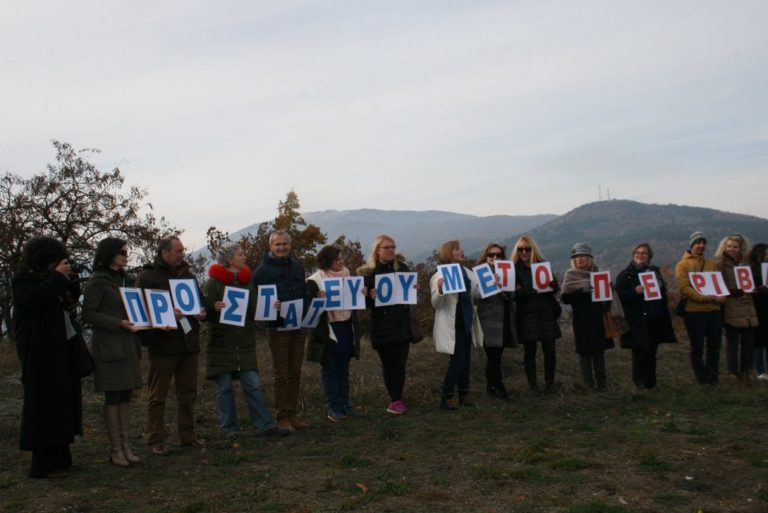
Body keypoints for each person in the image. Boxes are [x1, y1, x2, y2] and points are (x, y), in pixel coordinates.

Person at [13, 236, 84, 478]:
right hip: (38, 354)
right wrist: (57, 278)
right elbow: (35, 300)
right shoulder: (23, 280)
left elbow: (69, 300)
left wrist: (70, 280)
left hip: (60, 352)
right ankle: (42, 465)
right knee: (43, 408)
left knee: (63, 405)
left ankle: (62, 458)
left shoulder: (51, 280)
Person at [204, 243, 288, 436]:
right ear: (230, 259)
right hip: (221, 344)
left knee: (253, 385)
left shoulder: (247, 282)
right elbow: (204, 311)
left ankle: (264, 425)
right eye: (240, 255)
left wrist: (269, 306)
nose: (244, 257)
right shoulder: (213, 283)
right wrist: (213, 308)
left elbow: (253, 311)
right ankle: (228, 428)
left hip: (244, 343)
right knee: (224, 388)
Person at [137, 236, 206, 455]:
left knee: (188, 392)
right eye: (177, 251)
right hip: (163, 344)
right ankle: (154, 438)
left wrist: (202, 312)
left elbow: (200, 301)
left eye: (182, 250)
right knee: (158, 394)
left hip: (188, 343)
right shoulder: (148, 276)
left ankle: (187, 436)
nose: (182, 254)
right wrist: (166, 314)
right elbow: (138, 308)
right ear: (164, 253)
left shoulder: (188, 276)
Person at [82, 237, 143, 467]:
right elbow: (89, 314)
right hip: (109, 344)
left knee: (126, 393)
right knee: (113, 394)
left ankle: (126, 444)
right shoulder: (98, 282)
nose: (126, 256)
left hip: (128, 343)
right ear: (110, 255)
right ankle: (115, 447)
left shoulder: (127, 280)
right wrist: (118, 323)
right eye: (122, 252)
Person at [252, 230, 309, 431]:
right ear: (271, 247)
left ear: (290, 245)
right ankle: (282, 416)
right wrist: (269, 307)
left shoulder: (297, 267)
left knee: (295, 372)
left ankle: (292, 414)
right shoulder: (262, 271)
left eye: (285, 243)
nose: (282, 247)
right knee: (282, 373)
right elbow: (255, 301)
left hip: (298, 325)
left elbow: (303, 292)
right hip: (277, 328)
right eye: (277, 244)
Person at [358, 235, 414, 415]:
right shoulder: (368, 273)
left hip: (401, 325)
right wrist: (369, 297)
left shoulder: (403, 269)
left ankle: (396, 400)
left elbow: (409, 296)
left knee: (400, 365)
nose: (390, 250)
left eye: (392, 247)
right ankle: (395, 399)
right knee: (389, 364)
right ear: (377, 251)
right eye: (386, 247)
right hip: (382, 326)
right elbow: (362, 303)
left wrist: (415, 290)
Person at [306, 245, 363, 421]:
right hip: (328, 330)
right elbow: (309, 310)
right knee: (330, 370)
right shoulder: (315, 280)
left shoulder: (347, 275)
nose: (341, 262)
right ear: (327, 261)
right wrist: (317, 300)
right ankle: (333, 407)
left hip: (346, 326)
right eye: (337, 259)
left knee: (343, 369)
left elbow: (355, 300)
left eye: (341, 258)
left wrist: (362, 293)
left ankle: (345, 404)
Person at [616, 243, 677, 389]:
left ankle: (651, 383)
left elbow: (662, 295)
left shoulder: (655, 272)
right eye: (637, 252)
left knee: (651, 352)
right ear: (633, 254)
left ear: (649, 256)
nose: (640, 255)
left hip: (654, 319)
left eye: (644, 253)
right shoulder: (625, 275)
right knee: (639, 353)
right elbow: (619, 297)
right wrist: (635, 292)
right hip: (636, 321)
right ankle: (639, 384)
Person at [431, 240, 483, 410]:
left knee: (465, 360)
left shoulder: (467, 272)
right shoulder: (439, 275)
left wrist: (491, 285)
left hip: (466, 321)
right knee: (458, 360)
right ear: (449, 253)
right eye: (457, 249)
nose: (462, 251)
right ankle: (446, 397)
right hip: (453, 325)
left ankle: (463, 395)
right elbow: (435, 303)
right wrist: (440, 289)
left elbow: (474, 293)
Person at [561, 243, 615, 390]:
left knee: (599, 352)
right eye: (577, 257)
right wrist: (582, 291)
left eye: (583, 256)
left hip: (598, 318)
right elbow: (565, 298)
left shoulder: (599, 273)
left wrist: (608, 290)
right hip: (581, 319)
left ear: (589, 258)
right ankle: (588, 385)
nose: (580, 259)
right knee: (584, 354)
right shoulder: (570, 275)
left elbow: (608, 296)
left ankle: (602, 384)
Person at [512, 235, 562, 392]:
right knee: (530, 352)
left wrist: (554, 286)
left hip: (546, 312)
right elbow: (511, 294)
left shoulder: (542, 266)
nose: (524, 252)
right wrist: (526, 292)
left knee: (550, 351)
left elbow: (553, 289)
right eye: (520, 249)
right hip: (527, 314)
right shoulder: (514, 269)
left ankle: (549, 384)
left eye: (527, 249)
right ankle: (533, 386)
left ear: (532, 249)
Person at [675, 231, 725, 385]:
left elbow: (718, 284)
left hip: (714, 311)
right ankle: (702, 379)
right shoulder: (682, 264)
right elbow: (685, 288)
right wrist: (704, 298)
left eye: (703, 243)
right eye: (698, 242)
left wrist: (722, 295)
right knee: (697, 348)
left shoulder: (711, 264)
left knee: (714, 347)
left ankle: (713, 378)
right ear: (692, 244)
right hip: (695, 312)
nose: (701, 245)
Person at [475, 243, 516, 400]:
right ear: (486, 256)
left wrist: (507, 290)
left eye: (498, 255)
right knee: (493, 356)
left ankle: (492, 388)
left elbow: (512, 296)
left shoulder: (507, 271)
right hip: (488, 320)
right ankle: (498, 388)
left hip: (504, 319)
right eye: (491, 255)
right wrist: (491, 286)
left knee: (497, 356)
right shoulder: (480, 272)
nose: (494, 258)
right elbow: (475, 296)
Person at [716, 234, 759, 383]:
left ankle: (746, 371)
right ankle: (732, 373)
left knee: (748, 342)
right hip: (731, 307)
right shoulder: (720, 263)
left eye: (735, 247)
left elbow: (750, 284)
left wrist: (752, 290)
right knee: (732, 342)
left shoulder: (744, 264)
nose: (732, 249)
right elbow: (719, 285)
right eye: (729, 246)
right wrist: (737, 291)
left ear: (740, 248)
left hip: (747, 307)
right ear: (724, 247)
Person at [749, 242, 768, 380]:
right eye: (765, 254)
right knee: (759, 343)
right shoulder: (752, 270)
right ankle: (760, 371)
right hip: (758, 310)